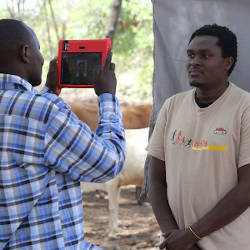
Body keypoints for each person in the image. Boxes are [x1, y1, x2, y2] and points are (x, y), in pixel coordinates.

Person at [0, 19, 126, 249]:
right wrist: (108, 97)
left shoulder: (40, 109)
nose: (41, 58)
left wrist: (48, 92)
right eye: (38, 49)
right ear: (25, 53)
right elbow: (109, 162)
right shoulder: (44, 113)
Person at [147, 24, 250, 250]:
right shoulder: (172, 106)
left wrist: (191, 235)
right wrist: (173, 235)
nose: (194, 62)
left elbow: (247, 188)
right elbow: (154, 179)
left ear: (227, 62)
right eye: (191, 55)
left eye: (205, 55)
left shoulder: (245, 108)